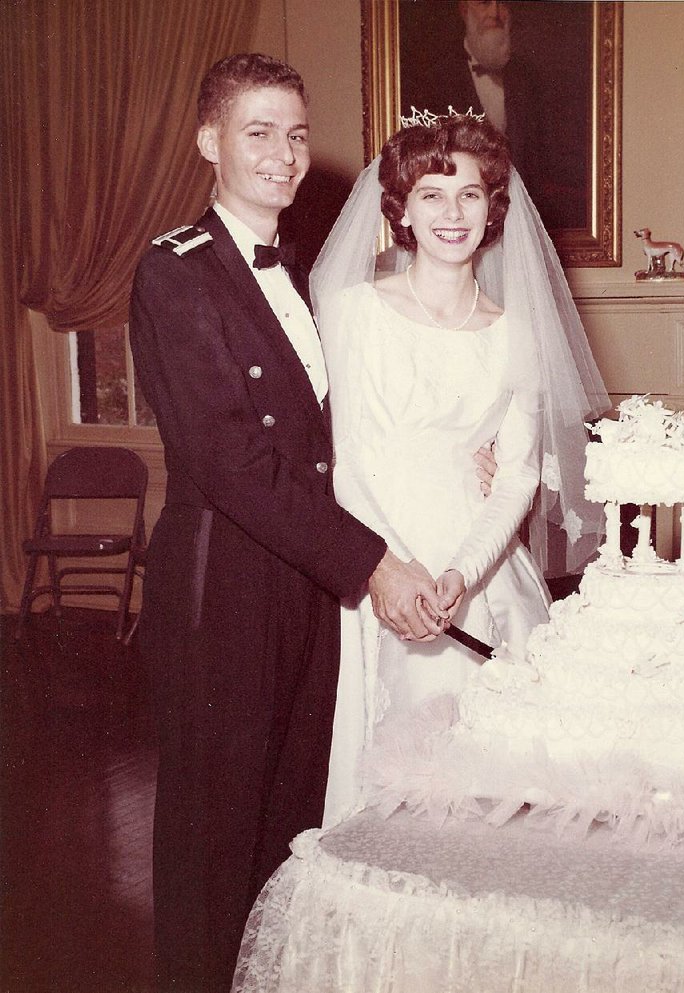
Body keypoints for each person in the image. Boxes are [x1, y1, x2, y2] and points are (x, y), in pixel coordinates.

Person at [129, 53, 464, 993]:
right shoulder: (176, 272)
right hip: (223, 591)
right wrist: (372, 566)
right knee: (210, 837)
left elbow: (349, 431)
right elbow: (230, 459)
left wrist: (458, 451)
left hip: (307, 584)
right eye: (258, 132)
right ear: (210, 141)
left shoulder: (310, 276)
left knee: (287, 823)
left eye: (297, 135)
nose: (283, 154)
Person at [308, 114, 609, 829]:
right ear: (401, 209)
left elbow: (515, 475)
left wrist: (461, 574)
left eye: (470, 195)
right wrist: (396, 569)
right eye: (432, 194)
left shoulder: (517, 332)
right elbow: (344, 459)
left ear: (493, 209)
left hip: (476, 566)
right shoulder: (353, 313)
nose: (452, 213)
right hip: (375, 554)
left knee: (503, 794)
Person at [401, 0, 588, 231]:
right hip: (458, 225)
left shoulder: (527, 81)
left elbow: (543, 165)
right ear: (464, 9)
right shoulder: (435, 81)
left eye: (503, 4)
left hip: (518, 226)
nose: (495, 13)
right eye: (484, 2)